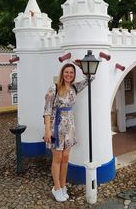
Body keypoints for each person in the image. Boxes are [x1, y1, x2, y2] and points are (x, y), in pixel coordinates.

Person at [43, 63, 91, 202]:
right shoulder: (54, 87)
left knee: (65, 159)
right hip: (56, 127)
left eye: (71, 72)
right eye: (66, 72)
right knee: (57, 159)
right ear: (62, 73)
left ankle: (63, 186)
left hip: (69, 127)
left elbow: (90, 78)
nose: (69, 74)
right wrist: (47, 130)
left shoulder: (75, 87)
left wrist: (82, 67)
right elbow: (47, 111)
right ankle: (56, 188)